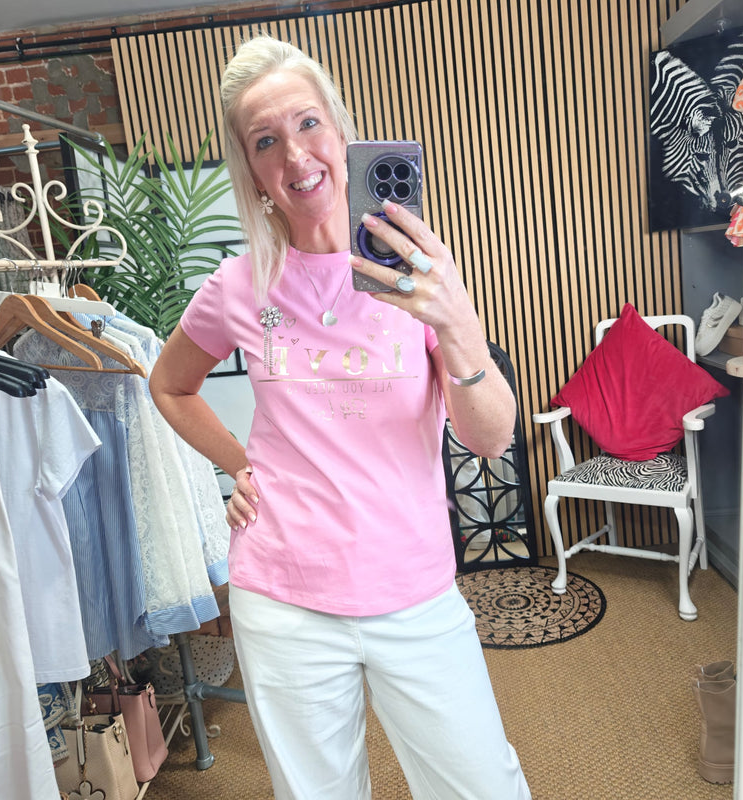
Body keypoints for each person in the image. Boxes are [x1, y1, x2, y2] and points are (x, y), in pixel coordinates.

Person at [149, 33, 532, 800]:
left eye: (308, 124)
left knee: (484, 787)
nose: (296, 157)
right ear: (253, 170)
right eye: (267, 141)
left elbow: (490, 439)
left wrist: (456, 323)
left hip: (414, 589)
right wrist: (237, 464)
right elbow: (170, 386)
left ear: (342, 130)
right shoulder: (238, 284)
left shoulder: (419, 270)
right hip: (283, 595)